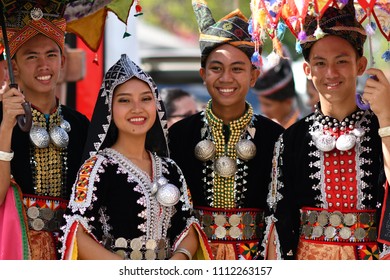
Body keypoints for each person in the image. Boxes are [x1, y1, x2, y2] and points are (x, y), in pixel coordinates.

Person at [262, 0, 390, 260]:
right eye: (320, 63)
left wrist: (386, 117)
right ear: (308, 70)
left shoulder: (381, 126)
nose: (330, 72)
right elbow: (280, 217)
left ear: (361, 65)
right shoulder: (292, 138)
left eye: (341, 61)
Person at [60, 54, 212, 260]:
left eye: (146, 98)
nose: (137, 108)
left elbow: (189, 225)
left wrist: (179, 259)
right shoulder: (97, 168)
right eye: (124, 100)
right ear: (109, 109)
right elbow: (76, 231)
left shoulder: (170, 168)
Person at [168, 0, 284, 260]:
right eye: (216, 69)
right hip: (194, 257)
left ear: (253, 76)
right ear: (203, 74)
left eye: (237, 69)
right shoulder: (179, 135)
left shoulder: (274, 137)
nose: (226, 78)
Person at [0, 6, 90, 260]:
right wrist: (6, 126)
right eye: (31, 57)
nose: (43, 65)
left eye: (51, 55)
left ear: (62, 61)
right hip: (14, 247)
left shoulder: (81, 124)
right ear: (13, 67)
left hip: (71, 248)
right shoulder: (1, 118)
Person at [253, 57, 307, 129]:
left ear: (288, 102)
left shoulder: (303, 130)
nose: (263, 109)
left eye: (268, 104)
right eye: (261, 103)